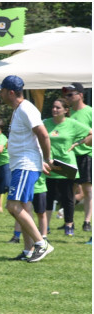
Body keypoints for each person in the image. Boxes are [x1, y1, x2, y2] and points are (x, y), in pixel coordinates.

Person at [0, 75, 54, 263]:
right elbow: (33, 137)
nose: (1, 94)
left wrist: (47, 158)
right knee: (24, 207)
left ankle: (41, 243)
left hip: (24, 166)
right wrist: (41, 161)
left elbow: (43, 134)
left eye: (2, 91)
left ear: (11, 92)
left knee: (12, 206)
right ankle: (28, 250)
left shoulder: (26, 108)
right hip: (23, 165)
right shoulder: (19, 110)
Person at [43, 97, 92, 237]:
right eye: (53, 107)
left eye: (58, 107)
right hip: (50, 163)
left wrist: (78, 143)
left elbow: (91, 133)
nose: (54, 109)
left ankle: (69, 226)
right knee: (49, 196)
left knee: (67, 197)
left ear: (66, 110)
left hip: (67, 164)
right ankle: (45, 227)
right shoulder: (46, 123)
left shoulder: (72, 124)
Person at [63, 82, 93, 233]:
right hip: (70, 157)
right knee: (69, 190)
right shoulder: (66, 112)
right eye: (66, 94)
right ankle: (69, 221)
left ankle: (87, 222)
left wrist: (82, 143)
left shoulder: (89, 111)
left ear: (80, 95)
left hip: (87, 155)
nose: (67, 97)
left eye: (70, 94)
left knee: (88, 190)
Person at [11, 174, 48, 243]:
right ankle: (16, 236)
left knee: (41, 213)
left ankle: (44, 236)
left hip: (39, 189)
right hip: (25, 189)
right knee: (21, 212)